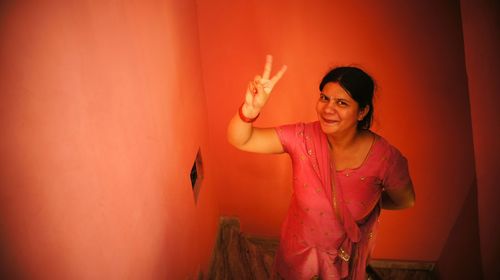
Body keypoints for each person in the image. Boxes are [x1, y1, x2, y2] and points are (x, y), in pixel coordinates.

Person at [227, 55, 415, 280]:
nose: (327, 109)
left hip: (344, 256)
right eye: (324, 98)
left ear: (362, 112)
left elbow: (405, 200)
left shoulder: (385, 159)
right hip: (299, 248)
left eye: (341, 103)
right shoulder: (302, 138)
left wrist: (365, 205)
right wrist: (249, 110)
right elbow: (242, 140)